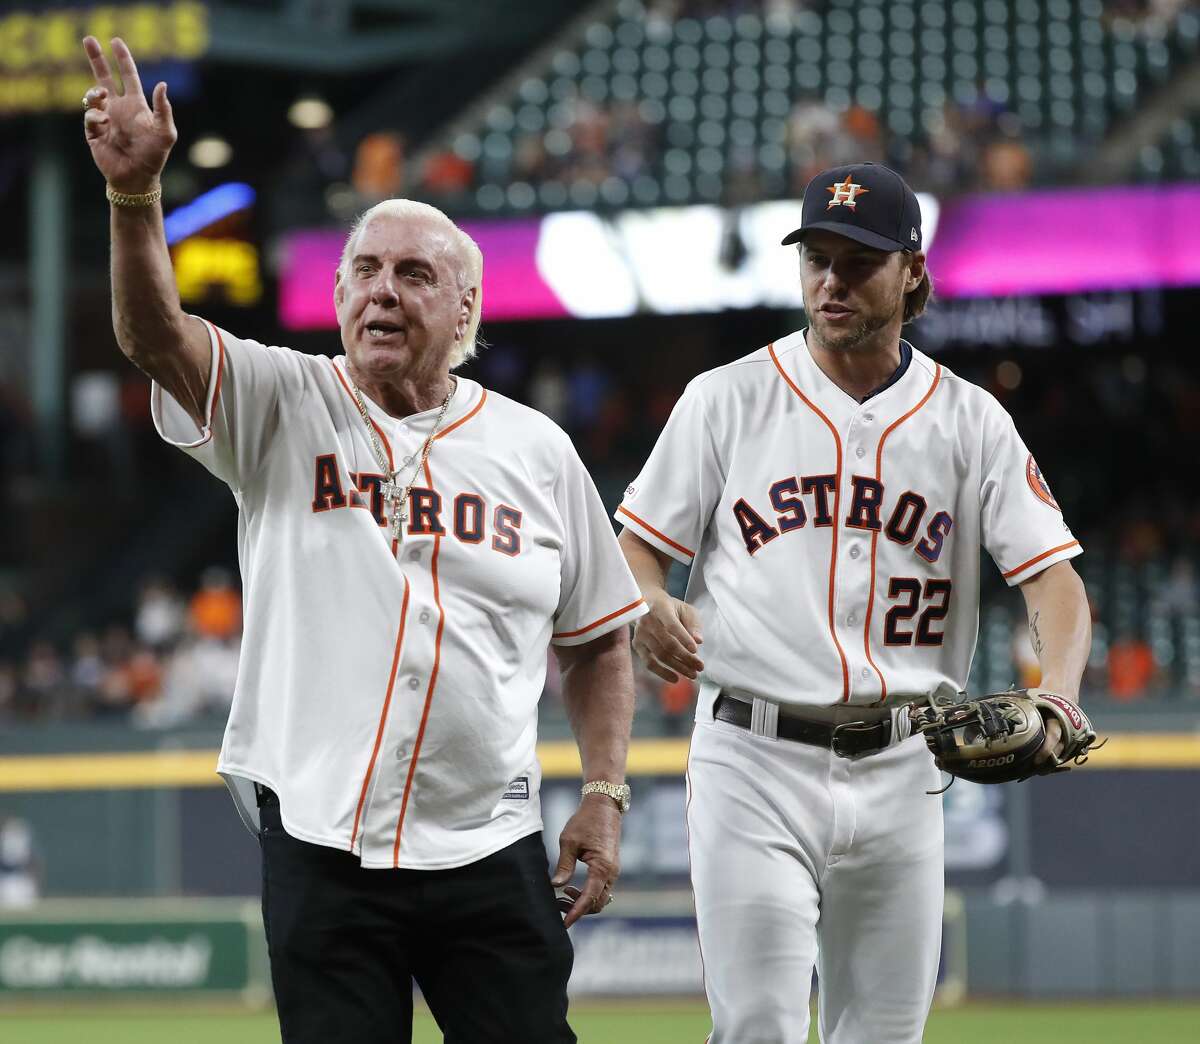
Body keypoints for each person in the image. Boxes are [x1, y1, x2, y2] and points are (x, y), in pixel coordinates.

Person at [81, 36, 646, 1044]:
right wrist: (135, 203)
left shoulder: (537, 449)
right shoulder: (282, 403)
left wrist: (603, 791)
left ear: (466, 306)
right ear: (336, 297)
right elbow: (154, 337)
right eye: (364, 271)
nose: (382, 291)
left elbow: (599, 637)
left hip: (490, 845)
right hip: (322, 845)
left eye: (414, 274)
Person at [616, 162, 1092, 1043]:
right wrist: (645, 597)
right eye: (817, 258)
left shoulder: (970, 419)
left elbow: (1053, 580)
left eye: (858, 261)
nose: (831, 281)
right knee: (758, 1026)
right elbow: (636, 545)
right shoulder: (726, 398)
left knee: (883, 1035)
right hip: (752, 757)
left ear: (912, 270)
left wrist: (1058, 691)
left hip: (906, 760)